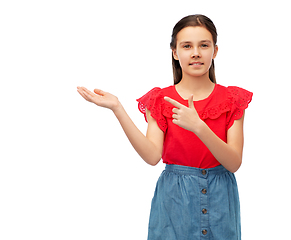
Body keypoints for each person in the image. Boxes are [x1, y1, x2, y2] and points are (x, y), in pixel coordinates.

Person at [77, 14, 252, 240]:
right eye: (187, 46)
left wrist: (199, 127)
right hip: (174, 201)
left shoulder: (232, 99)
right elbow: (152, 156)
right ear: (175, 52)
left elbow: (234, 162)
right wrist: (117, 108)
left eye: (204, 45)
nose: (196, 52)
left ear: (215, 51)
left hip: (220, 200)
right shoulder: (161, 99)